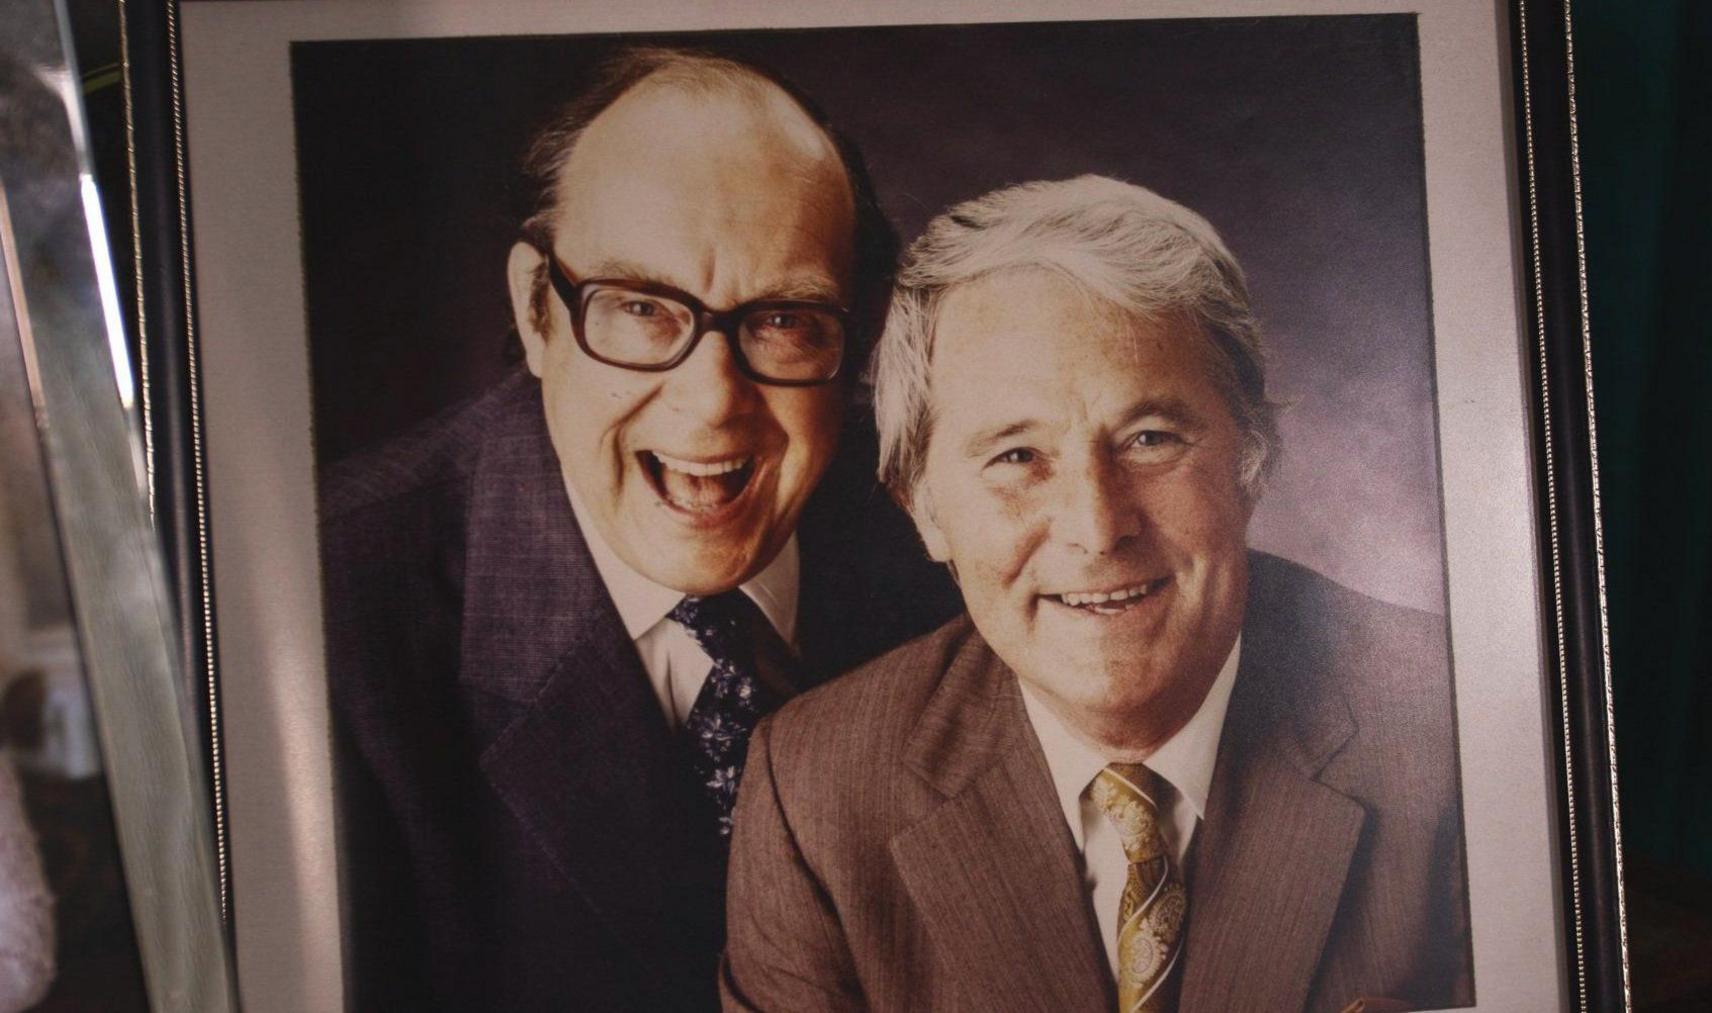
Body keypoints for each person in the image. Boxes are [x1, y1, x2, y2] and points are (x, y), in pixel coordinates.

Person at [723, 176, 1473, 1012]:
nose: (1095, 524)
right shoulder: (817, 792)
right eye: (1016, 456)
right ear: (925, 510)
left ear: (1252, 460)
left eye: (1150, 438)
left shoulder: (1457, 726)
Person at [320, 48, 954, 1011]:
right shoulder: (330, 606)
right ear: (537, 310)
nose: (710, 406)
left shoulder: (959, 532)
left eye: (783, 319)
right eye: (642, 308)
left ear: (854, 336)